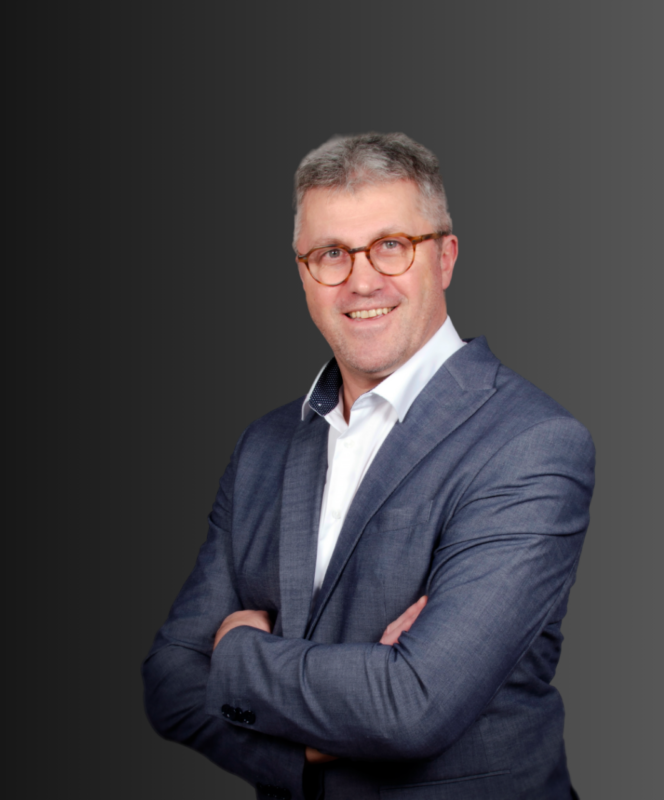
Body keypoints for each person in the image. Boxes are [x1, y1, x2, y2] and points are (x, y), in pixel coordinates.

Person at [143, 132, 595, 800]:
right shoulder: (264, 446)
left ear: (444, 257)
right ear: (302, 273)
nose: (360, 279)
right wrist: (312, 746)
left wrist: (236, 653)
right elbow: (170, 680)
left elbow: (413, 703)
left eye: (391, 245)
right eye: (330, 253)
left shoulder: (531, 444)